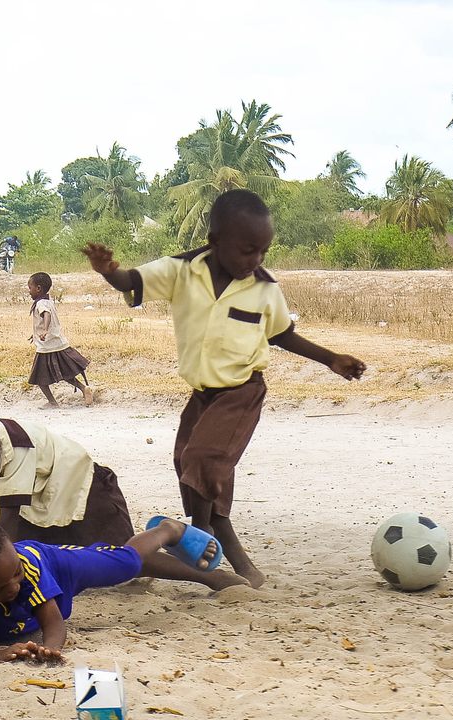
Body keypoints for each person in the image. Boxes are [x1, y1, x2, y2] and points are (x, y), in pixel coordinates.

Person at [83, 189, 367, 588]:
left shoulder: (265, 289)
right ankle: (237, 557)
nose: (256, 260)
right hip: (203, 395)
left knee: (203, 458)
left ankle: (200, 536)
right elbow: (131, 280)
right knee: (187, 462)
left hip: (241, 392)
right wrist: (108, 271)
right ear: (215, 241)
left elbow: (282, 334)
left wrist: (330, 358)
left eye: (263, 251)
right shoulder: (181, 271)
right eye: (248, 250)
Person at [0, 393, 244, 591]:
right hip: (43, 509)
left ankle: (202, 568)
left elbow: (8, 522)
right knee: (62, 564)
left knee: (122, 560)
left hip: (86, 492)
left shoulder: (16, 446)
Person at [0, 513, 221, 662]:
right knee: (123, 565)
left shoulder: (27, 565)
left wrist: (49, 648)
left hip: (58, 564)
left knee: (126, 564)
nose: (12, 588)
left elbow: (53, 622)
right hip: (22, 579)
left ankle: (167, 530)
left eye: (15, 574)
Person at [26, 271, 93, 408]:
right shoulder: (48, 302)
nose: (29, 291)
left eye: (30, 288)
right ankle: (83, 388)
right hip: (58, 344)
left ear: (38, 288)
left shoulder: (41, 304)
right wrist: (36, 333)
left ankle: (52, 402)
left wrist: (44, 330)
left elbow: (46, 315)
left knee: (39, 378)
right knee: (65, 373)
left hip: (46, 347)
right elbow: (44, 318)